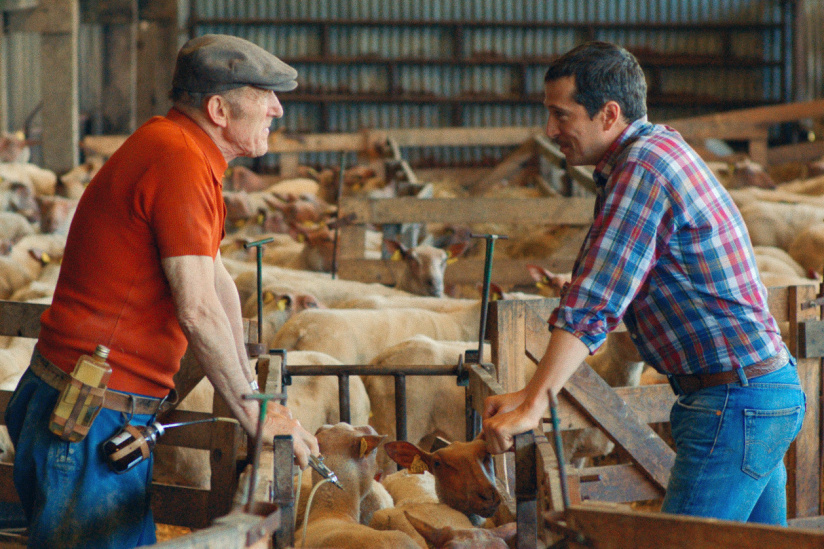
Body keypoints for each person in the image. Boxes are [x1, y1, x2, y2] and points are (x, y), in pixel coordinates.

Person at [5, 34, 320, 548]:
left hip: (89, 409)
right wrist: (256, 416)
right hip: (88, 419)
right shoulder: (177, 161)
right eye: (266, 95)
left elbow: (215, 282)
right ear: (219, 109)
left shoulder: (180, 150)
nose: (278, 109)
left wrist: (264, 407)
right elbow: (195, 309)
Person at [482, 41, 806, 525]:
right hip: (755, 392)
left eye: (561, 115)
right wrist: (532, 394)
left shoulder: (643, 169)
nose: (550, 131)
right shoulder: (651, 153)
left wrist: (533, 404)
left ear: (608, 113)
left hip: (734, 402)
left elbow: (595, 298)